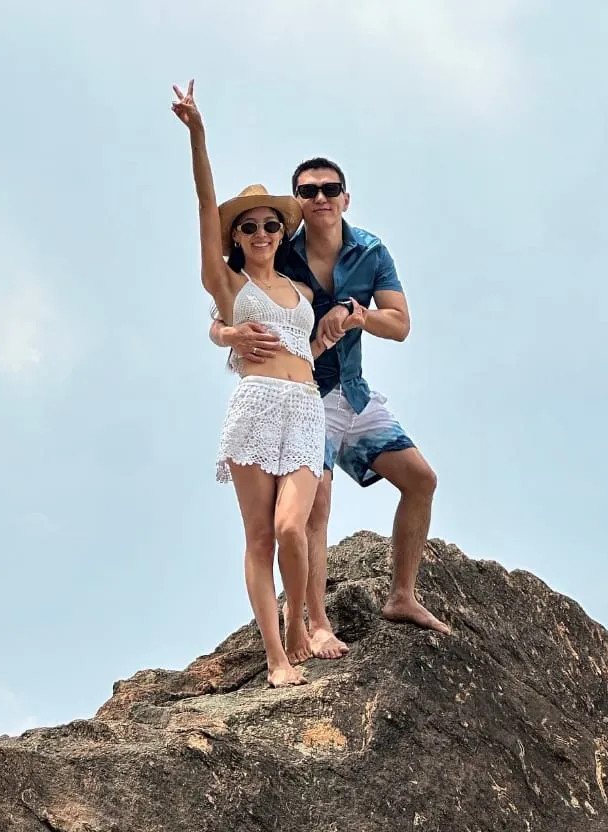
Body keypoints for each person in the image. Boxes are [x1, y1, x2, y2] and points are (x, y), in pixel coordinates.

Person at [211, 156, 451, 661]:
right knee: (312, 510)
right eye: (308, 190)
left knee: (421, 479)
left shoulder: (370, 250)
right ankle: (315, 624)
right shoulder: (278, 248)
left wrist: (356, 314)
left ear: (345, 196)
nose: (320, 197)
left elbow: (400, 324)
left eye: (330, 188)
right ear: (296, 201)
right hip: (300, 399)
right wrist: (227, 334)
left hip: (352, 391)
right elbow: (227, 302)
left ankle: (402, 596)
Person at [171, 81, 353, 688]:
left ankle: (301, 621)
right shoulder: (228, 285)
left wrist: (328, 333)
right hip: (254, 408)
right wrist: (198, 135)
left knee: (290, 527)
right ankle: (278, 654)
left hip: (305, 409)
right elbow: (204, 208)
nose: (261, 233)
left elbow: (308, 344)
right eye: (248, 227)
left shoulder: (301, 291)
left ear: (280, 229)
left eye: (270, 224)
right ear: (237, 237)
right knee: (259, 537)